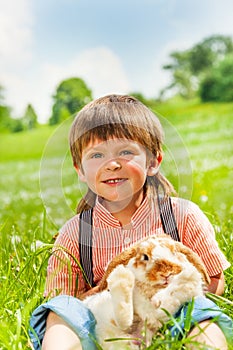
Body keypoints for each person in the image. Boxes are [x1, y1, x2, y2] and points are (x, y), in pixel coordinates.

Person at [30, 94, 232, 350]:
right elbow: (60, 296)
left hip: (169, 314)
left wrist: (168, 297)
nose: (112, 164)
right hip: (107, 325)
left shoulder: (182, 216)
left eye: (125, 152)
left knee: (201, 310)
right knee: (60, 311)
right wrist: (110, 295)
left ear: (153, 161)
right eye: (96, 155)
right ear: (79, 169)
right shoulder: (75, 233)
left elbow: (214, 280)